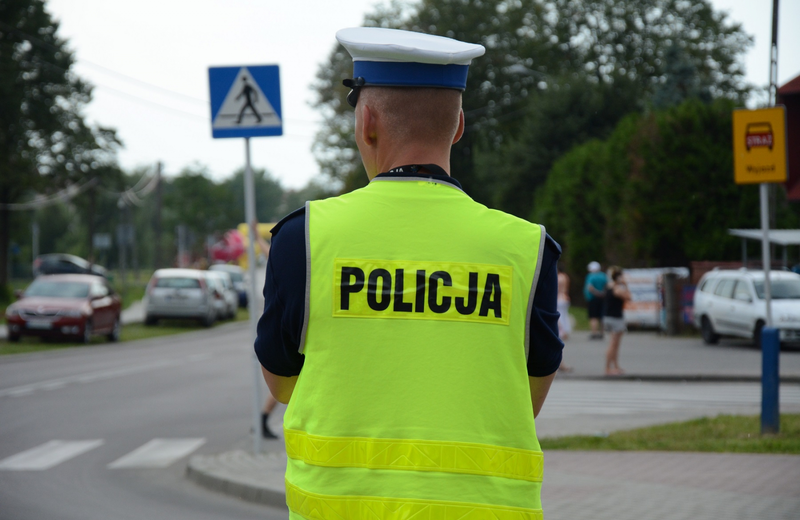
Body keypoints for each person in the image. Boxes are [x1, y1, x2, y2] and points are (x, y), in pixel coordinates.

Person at [254, 27, 563, 519]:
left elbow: (282, 384)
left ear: (367, 122)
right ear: (458, 125)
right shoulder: (527, 247)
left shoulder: (303, 238)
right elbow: (525, 399)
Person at [251, 220, 279, 439]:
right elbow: (268, 251)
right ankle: (262, 420)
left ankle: (262, 420)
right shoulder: (283, 253)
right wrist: (255, 235)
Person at [604, 265, 631, 375]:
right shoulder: (617, 289)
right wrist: (626, 285)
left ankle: (615, 366)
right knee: (613, 344)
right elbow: (628, 297)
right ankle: (607, 368)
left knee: (615, 344)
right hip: (616, 318)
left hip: (609, 316)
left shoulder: (609, 286)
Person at [584, 261, 607, 339]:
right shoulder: (603, 276)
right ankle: (602, 333)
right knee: (601, 316)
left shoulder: (591, 276)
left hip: (593, 298)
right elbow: (607, 286)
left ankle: (594, 333)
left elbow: (590, 287)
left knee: (593, 316)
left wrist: (597, 293)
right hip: (602, 299)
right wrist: (603, 293)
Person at [557, 266, 573, 372]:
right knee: (564, 315)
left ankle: (562, 329)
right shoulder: (564, 277)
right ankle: (564, 329)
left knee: (560, 316)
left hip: (557, 298)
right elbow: (565, 289)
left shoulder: (556, 277)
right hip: (564, 297)